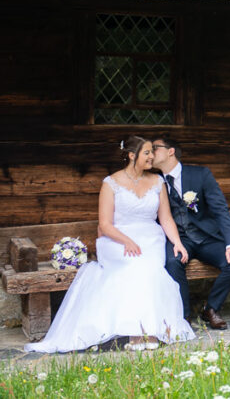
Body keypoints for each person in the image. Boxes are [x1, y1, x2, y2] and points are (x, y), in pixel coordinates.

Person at [25, 136, 195, 353]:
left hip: (151, 239)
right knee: (134, 266)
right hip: (116, 239)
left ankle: (151, 330)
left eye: (152, 151)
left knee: (150, 269)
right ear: (132, 156)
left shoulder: (157, 181)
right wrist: (127, 241)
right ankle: (136, 332)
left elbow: (166, 219)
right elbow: (105, 224)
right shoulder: (111, 183)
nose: (152, 156)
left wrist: (177, 243)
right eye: (147, 153)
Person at [153, 137, 230, 330]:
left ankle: (210, 309)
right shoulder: (154, 181)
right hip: (178, 239)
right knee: (172, 262)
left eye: (155, 148)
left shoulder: (200, 175)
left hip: (205, 237)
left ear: (170, 151)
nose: (151, 152)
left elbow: (220, 210)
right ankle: (183, 317)